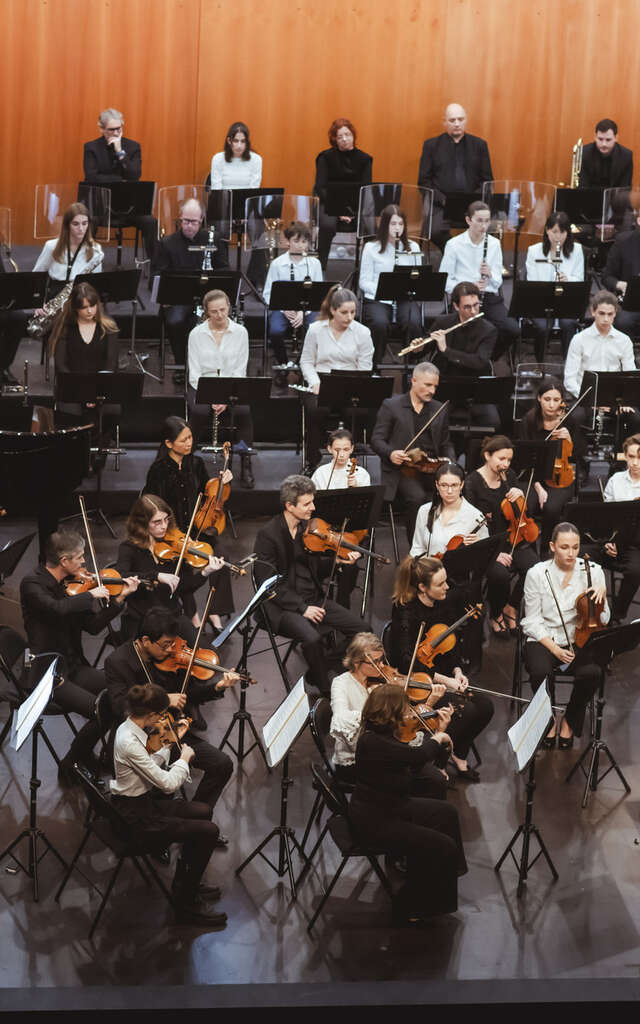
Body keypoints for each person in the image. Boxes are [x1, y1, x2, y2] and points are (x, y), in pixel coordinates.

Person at [19, 529, 139, 784]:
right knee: (103, 708)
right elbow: (56, 609)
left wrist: (120, 599)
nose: (85, 563)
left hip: (73, 665)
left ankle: (94, 756)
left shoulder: (72, 586)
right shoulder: (32, 583)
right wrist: (90, 595)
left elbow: (93, 627)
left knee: (124, 694)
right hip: (48, 672)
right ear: (64, 561)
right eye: (80, 557)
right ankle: (71, 763)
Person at [109, 682, 227, 926]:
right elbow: (167, 784)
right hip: (136, 818)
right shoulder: (129, 742)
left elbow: (150, 761)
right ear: (151, 715)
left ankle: (185, 882)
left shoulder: (130, 727)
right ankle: (186, 904)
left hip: (141, 803)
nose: (164, 719)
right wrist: (184, 759)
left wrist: (172, 742)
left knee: (203, 811)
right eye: (162, 715)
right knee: (209, 832)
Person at [349, 684, 467, 925]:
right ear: (390, 713)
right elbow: (416, 756)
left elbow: (410, 762)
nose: (411, 713)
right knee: (441, 845)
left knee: (446, 813)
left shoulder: (382, 734)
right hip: (375, 822)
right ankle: (414, 907)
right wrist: (440, 736)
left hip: (392, 806)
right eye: (405, 709)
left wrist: (438, 732)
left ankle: (447, 873)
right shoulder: (373, 742)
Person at [253, 475, 369, 695]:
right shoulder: (268, 535)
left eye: (312, 501)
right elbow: (268, 584)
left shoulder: (309, 529)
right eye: (307, 504)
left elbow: (316, 568)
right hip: (281, 607)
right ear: (289, 505)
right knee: (312, 638)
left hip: (313, 598)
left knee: (363, 631)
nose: (313, 508)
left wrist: (337, 562)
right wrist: (302, 608)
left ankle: (321, 668)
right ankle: (326, 690)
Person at [105, 608, 235, 803]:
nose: (170, 650)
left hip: (169, 731)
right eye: (165, 645)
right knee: (160, 789)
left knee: (222, 764)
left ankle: (197, 816)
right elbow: (119, 706)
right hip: (140, 741)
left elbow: (186, 695)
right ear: (146, 640)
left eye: (172, 644)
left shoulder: (167, 659)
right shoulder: (117, 662)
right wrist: (164, 699)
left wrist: (217, 686)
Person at [391, 555, 494, 780]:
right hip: (418, 680)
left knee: (486, 706)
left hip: (445, 675)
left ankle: (458, 751)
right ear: (422, 587)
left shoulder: (443, 603)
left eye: (446, 581)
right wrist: (445, 680)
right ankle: (437, 761)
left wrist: (458, 671)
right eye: (440, 584)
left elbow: (451, 645)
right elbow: (404, 660)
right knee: (466, 711)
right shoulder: (404, 611)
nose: (447, 587)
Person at [329, 632, 449, 800]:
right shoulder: (341, 683)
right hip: (356, 761)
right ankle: (399, 814)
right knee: (424, 780)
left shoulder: (381, 684)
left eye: (381, 659)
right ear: (357, 662)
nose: (382, 665)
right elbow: (340, 719)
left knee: (434, 779)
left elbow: (405, 721)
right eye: (376, 661)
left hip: (387, 748)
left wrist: (428, 703)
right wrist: (374, 710)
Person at [521, 522, 609, 747]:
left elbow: (604, 620)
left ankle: (571, 718)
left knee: (592, 673)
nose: (571, 553)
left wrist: (602, 599)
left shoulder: (594, 571)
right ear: (552, 546)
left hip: (579, 638)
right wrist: (554, 649)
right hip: (545, 637)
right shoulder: (537, 574)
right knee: (540, 670)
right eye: (564, 547)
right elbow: (531, 620)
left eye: (575, 547)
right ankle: (548, 719)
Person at [142, 416, 235, 629]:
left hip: (196, 526)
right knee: (180, 563)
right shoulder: (158, 470)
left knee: (221, 553)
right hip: (171, 532)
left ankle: (215, 611)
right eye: (183, 440)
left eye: (190, 438)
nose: (189, 443)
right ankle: (192, 614)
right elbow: (150, 503)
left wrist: (221, 484)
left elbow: (207, 494)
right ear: (168, 443)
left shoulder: (196, 463)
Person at [115, 494, 229, 640]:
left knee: (207, 653)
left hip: (172, 617)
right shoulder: (129, 548)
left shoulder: (173, 546)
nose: (164, 526)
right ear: (142, 523)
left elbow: (184, 587)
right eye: (157, 522)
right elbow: (119, 576)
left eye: (166, 520)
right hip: (142, 620)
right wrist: (156, 576)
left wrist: (206, 572)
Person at [371, 360, 455, 542]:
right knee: (418, 498)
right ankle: (416, 548)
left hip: (431, 467)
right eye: (427, 385)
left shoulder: (439, 408)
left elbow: (446, 443)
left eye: (435, 386)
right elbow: (377, 440)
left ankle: (445, 545)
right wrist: (391, 453)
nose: (432, 390)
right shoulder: (391, 405)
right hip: (403, 469)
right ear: (413, 380)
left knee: (455, 490)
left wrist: (452, 467)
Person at [464, 435, 539, 635]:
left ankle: (511, 606)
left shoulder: (510, 475)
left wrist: (521, 494)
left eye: (509, 460)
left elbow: (524, 511)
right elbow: (469, 524)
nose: (505, 464)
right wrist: (493, 553)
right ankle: (495, 612)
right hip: (486, 544)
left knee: (535, 569)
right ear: (487, 456)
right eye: (501, 459)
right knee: (500, 576)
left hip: (513, 537)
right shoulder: (472, 483)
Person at [154, 198, 230, 383]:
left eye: (193, 222)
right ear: (179, 219)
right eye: (185, 221)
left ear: (201, 220)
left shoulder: (213, 239)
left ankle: (210, 365)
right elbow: (159, 273)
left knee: (213, 317)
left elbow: (224, 269)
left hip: (208, 296)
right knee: (175, 320)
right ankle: (182, 365)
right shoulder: (168, 243)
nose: (189, 226)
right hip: (179, 297)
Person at [299, 284, 373, 471]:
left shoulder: (363, 332)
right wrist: (315, 383)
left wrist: (357, 385)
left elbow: (365, 367)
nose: (349, 317)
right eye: (344, 312)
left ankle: (351, 460)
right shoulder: (316, 329)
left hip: (351, 384)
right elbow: (306, 361)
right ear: (333, 310)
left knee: (356, 412)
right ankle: (312, 462)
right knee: (316, 411)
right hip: (322, 384)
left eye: (352, 312)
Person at [186, 288, 254, 487]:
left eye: (223, 310)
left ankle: (246, 461)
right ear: (206, 311)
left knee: (243, 411)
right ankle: (188, 461)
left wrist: (225, 397)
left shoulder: (241, 332)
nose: (219, 315)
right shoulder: (196, 334)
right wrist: (212, 396)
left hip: (232, 385)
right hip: (203, 385)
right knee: (198, 412)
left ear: (229, 308)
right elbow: (195, 371)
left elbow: (241, 368)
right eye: (214, 311)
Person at [439, 201, 519, 359]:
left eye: (487, 221)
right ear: (469, 220)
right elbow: (445, 280)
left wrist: (490, 274)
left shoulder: (494, 244)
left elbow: (497, 283)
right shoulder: (454, 245)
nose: (484, 226)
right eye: (479, 221)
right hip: (463, 300)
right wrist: (466, 288)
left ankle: (487, 358)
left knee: (512, 329)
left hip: (488, 297)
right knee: (451, 328)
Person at [516, 377, 584, 554]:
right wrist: (538, 488)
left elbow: (578, 454)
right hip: (533, 475)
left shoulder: (570, 421)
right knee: (526, 506)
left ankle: (548, 550)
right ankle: (528, 550)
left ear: (562, 401)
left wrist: (569, 439)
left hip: (561, 476)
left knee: (552, 508)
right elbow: (524, 459)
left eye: (556, 400)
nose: (552, 405)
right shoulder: (529, 420)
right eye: (547, 399)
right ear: (539, 398)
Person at [83, 106, 157, 262]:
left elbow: (135, 175)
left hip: (129, 207)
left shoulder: (133, 147)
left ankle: (155, 268)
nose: (116, 133)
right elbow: (91, 178)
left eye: (119, 128)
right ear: (101, 129)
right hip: (101, 206)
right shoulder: (91, 148)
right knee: (87, 219)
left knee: (150, 221)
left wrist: (120, 152)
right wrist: (121, 180)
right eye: (111, 130)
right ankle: (84, 263)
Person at [417, 103, 493, 251]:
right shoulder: (431, 146)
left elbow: (487, 180)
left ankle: (463, 255)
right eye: (452, 120)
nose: (457, 124)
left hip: (473, 203)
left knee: (488, 229)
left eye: (460, 119)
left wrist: (474, 199)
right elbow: (423, 182)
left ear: (466, 120)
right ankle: (458, 252)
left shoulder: (479, 145)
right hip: (441, 204)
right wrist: (442, 199)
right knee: (435, 231)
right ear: (444, 122)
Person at [563, 290, 640, 436]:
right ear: (593, 312)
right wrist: (591, 401)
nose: (606, 318)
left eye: (610, 314)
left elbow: (630, 375)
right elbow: (570, 379)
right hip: (585, 399)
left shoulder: (624, 340)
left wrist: (624, 401)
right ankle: (579, 458)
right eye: (602, 313)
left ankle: (627, 456)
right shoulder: (579, 339)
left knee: (635, 418)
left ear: (615, 314)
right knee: (575, 418)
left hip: (615, 400)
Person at [427, 280, 500, 430]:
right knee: (432, 422)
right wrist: (417, 348)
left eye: (476, 305)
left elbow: (479, 362)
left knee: (493, 422)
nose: (473, 311)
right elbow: (425, 349)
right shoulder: (443, 322)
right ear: (455, 306)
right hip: (446, 388)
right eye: (467, 307)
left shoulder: (489, 330)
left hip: (475, 390)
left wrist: (447, 351)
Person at [358, 204, 422, 365]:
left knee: (413, 322)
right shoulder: (371, 248)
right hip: (378, 298)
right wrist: (384, 289)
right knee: (379, 324)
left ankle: (412, 365)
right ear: (384, 225)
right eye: (393, 224)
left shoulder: (413, 248)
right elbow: (364, 281)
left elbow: (418, 278)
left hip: (405, 298)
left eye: (400, 224)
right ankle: (375, 365)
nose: (397, 228)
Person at [49, 282, 119, 428]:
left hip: (101, 385)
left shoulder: (108, 326)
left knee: (112, 408)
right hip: (72, 386)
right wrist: (83, 393)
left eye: (92, 306)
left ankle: (105, 444)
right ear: (75, 308)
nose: (89, 311)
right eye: (84, 307)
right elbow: (61, 366)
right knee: (71, 413)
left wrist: (95, 392)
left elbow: (111, 363)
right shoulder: (65, 328)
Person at [525, 211, 586, 360]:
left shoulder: (576, 251)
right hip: (541, 301)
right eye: (554, 232)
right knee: (541, 326)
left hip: (566, 300)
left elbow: (579, 278)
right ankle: (539, 364)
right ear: (547, 231)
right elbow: (532, 281)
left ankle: (569, 363)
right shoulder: (534, 251)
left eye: (562, 232)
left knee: (568, 324)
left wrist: (568, 279)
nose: (558, 237)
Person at [263, 220, 323, 367]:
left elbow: (319, 294)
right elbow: (267, 293)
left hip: (307, 309)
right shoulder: (277, 263)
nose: (300, 245)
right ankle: (283, 363)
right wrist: (284, 309)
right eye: (296, 241)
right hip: (283, 308)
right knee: (276, 331)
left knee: (315, 330)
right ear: (288, 241)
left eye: (304, 241)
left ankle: (302, 362)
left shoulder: (315, 264)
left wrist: (304, 312)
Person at [314, 118, 373, 269]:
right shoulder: (325, 158)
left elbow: (366, 188)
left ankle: (370, 268)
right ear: (334, 139)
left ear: (353, 135)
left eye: (347, 134)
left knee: (371, 226)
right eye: (340, 137)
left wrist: (353, 211)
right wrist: (340, 211)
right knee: (327, 226)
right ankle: (320, 268)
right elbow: (321, 187)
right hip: (330, 203)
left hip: (356, 205)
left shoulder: (365, 159)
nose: (344, 139)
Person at [600, 433, 640, 620]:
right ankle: (589, 613)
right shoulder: (616, 480)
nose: (635, 463)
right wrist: (609, 541)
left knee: (635, 571)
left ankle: (618, 613)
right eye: (631, 456)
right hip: (616, 539)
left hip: (636, 544)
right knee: (579, 555)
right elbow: (606, 518)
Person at [410, 462, 488, 558]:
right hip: (430, 569)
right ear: (437, 485)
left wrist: (478, 547)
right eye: (444, 485)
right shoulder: (424, 510)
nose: (449, 491)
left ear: (462, 485)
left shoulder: (475, 516)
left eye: (454, 485)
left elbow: (484, 556)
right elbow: (417, 548)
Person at [33, 202, 103, 300]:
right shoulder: (51, 246)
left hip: (81, 299)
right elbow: (37, 276)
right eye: (75, 224)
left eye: (84, 223)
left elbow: (96, 284)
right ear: (67, 225)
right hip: (55, 296)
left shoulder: (96, 250)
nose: (81, 229)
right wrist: (38, 304)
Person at [603, 212, 640, 336]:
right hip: (629, 305)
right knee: (623, 321)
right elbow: (607, 276)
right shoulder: (623, 242)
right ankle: (626, 354)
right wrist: (620, 285)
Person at [579, 118, 633, 189]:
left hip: (616, 199)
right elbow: (583, 186)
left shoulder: (626, 156)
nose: (604, 144)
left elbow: (625, 189)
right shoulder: (585, 152)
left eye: (608, 140)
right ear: (595, 137)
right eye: (600, 139)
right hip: (589, 196)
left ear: (616, 138)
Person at [210, 122, 262, 189]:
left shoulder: (256, 159)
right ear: (229, 141)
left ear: (247, 142)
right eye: (235, 141)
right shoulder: (217, 159)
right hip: (224, 198)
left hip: (246, 199)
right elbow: (216, 190)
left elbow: (254, 190)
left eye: (243, 141)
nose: (239, 146)